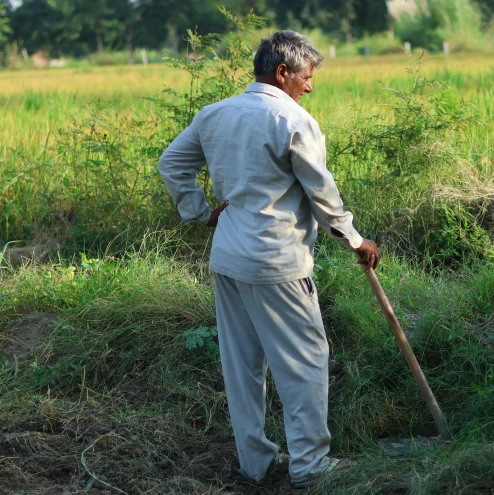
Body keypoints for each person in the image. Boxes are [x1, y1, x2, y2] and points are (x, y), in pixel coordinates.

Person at [157, 30, 380, 488]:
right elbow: (322, 194)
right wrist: (355, 240)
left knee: (242, 367)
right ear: (283, 72)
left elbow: (171, 164)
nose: (310, 86)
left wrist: (201, 214)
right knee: (304, 362)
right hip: (278, 261)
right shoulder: (293, 120)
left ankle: (255, 465)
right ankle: (311, 467)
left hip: (229, 259)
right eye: (307, 76)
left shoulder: (214, 114)